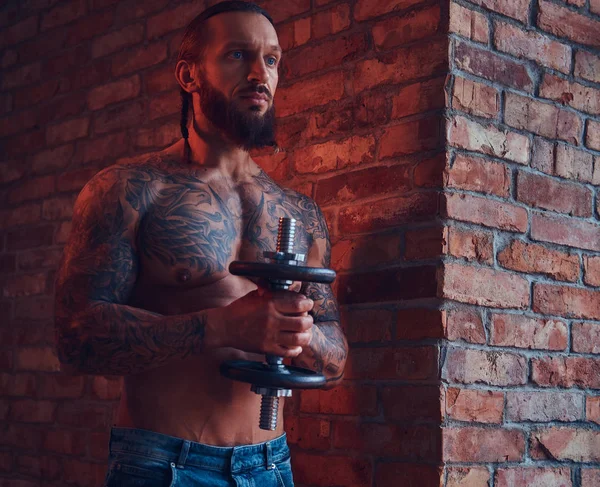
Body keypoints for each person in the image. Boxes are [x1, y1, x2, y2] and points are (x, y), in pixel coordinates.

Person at [53, 1, 348, 486]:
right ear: (188, 75)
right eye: (238, 55)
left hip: (271, 465)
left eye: (271, 60)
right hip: (164, 463)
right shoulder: (131, 189)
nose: (260, 74)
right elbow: (75, 337)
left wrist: (302, 336)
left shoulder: (299, 213)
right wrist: (222, 326)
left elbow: (334, 357)